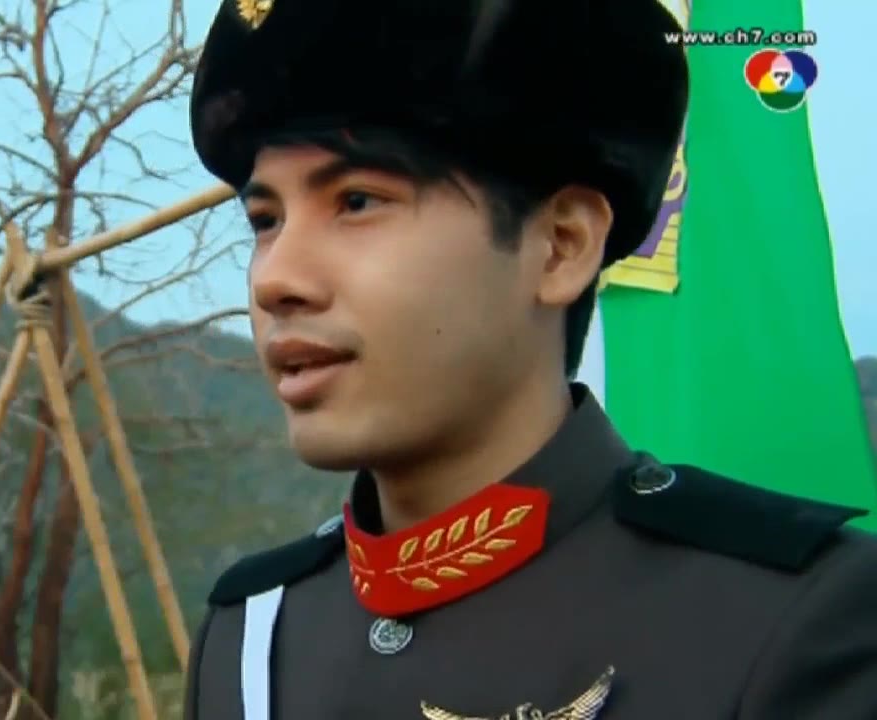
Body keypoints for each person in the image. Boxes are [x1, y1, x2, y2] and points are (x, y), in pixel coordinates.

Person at [182, 0, 877, 718]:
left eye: (357, 201)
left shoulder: (793, 621)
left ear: (560, 247)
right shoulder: (251, 640)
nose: (275, 279)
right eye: (265, 220)